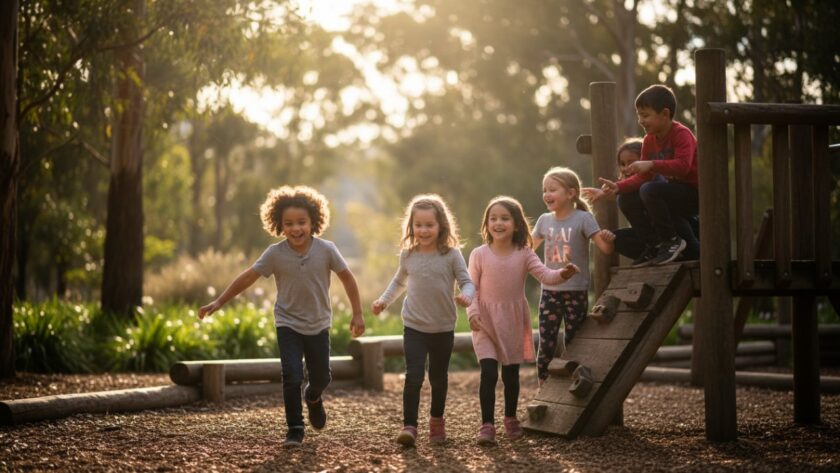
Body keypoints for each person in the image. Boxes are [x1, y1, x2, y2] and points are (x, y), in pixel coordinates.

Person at [198, 185, 365, 448]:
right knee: (291, 375)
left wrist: (357, 313)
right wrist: (219, 301)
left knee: (322, 377)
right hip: (287, 323)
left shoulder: (327, 249)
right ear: (279, 224)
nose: (295, 228)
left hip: (319, 323)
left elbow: (348, 279)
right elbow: (248, 277)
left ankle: (313, 397)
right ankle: (295, 429)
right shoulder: (275, 254)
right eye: (288, 223)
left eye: (301, 222)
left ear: (313, 222)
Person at [467, 196, 579, 445]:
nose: (498, 223)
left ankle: (510, 418)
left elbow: (545, 275)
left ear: (516, 224)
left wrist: (563, 273)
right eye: (493, 218)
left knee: (510, 375)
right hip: (484, 321)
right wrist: (472, 312)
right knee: (488, 372)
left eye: (504, 218)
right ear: (486, 224)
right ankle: (487, 425)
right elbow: (470, 287)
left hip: (512, 321)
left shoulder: (524, 253)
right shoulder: (479, 254)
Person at [371, 194, 475, 447]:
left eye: (429, 225)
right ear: (411, 226)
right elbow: (398, 282)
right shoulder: (408, 255)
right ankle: (410, 426)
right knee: (414, 375)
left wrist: (467, 296)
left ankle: (436, 421)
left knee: (438, 378)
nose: (424, 230)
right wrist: (384, 300)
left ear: (441, 226)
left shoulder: (451, 254)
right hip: (414, 325)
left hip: (442, 327)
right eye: (419, 225)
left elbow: (466, 281)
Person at [598, 84, 700, 266]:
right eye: (639, 116)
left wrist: (651, 164)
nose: (641, 121)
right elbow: (643, 177)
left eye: (645, 115)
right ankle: (655, 245)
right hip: (671, 193)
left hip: (693, 194)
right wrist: (618, 187)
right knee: (626, 199)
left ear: (665, 114)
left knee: (650, 190)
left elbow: (683, 167)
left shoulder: (681, 134)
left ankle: (672, 241)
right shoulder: (649, 140)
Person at [533, 167, 614, 384]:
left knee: (574, 340)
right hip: (550, 291)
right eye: (545, 190)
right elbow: (527, 250)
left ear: (571, 193)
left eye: (553, 189)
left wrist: (607, 237)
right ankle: (543, 384)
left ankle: (574, 381)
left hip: (576, 291)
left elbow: (605, 249)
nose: (547, 194)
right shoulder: (543, 221)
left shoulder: (584, 218)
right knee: (547, 340)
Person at [583, 138, 699, 260]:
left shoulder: (655, 183)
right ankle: (654, 250)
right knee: (615, 239)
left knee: (628, 198)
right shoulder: (627, 191)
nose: (626, 168)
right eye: (622, 164)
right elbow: (627, 190)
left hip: (677, 230)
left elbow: (640, 190)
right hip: (654, 237)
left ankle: (683, 251)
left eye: (631, 162)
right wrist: (605, 192)